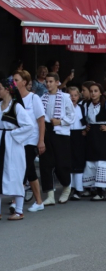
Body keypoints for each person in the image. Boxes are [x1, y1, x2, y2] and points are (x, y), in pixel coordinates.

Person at [0, 78, 33, 220]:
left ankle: (19, 210)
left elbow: (29, 126)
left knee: (15, 174)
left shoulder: (16, 107)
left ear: (7, 89)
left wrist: (13, 135)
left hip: (12, 145)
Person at [13, 71, 46, 213]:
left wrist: (41, 141)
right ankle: (18, 199)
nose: (13, 82)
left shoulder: (33, 98)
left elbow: (41, 120)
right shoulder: (14, 99)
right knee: (20, 169)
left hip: (31, 139)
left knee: (27, 167)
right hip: (18, 139)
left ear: (24, 82)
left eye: (16, 79)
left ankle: (38, 201)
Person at [39, 73, 74, 206]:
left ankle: (66, 187)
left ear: (57, 83)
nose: (48, 84)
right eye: (47, 82)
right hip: (47, 131)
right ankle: (50, 195)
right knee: (46, 163)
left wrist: (61, 122)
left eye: (51, 81)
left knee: (61, 164)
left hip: (61, 133)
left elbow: (72, 115)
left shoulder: (65, 97)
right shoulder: (43, 97)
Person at [82, 83, 106, 201]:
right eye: (91, 91)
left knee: (102, 161)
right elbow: (84, 120)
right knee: (91, 161)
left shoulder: (105, 104)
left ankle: (102, 192)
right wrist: (86, 128)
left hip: (102, 136)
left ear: (100, 92)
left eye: (96, 91)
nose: (93, 93)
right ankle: (94, 189)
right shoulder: (86, 104)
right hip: (92, 136)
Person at [68, 87, 87, 200]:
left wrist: (85, 129)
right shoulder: (65, 108)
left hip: (79, 136)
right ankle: (69, 187)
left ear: (78, 96)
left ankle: (78, 189)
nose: (73, 97)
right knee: (69, 161)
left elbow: (85, 120)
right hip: (68, 135)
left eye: (75, 95)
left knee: (79, 161)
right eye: (71, 95)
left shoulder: (81, 108)